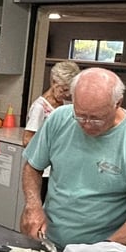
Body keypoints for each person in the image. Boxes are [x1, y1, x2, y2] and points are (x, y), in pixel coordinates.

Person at [21, 67, 126, 249]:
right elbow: (33, 167)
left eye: (96, 118)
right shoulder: (59, 119)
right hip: (47, 240)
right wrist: (33, 206)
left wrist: (103, 250)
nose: (86, 124)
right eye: (80, 115)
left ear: (118, 103)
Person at [23, 60, 81, 202]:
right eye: (64, 89)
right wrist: (52, 151)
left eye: (69, 90)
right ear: (54, 82)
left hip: (61, 169)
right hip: (44, 171)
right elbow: (27, 140)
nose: (67, 94)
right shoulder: (40, 107)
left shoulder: (64, 105)